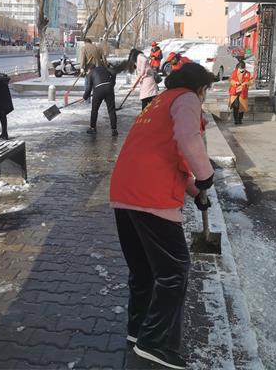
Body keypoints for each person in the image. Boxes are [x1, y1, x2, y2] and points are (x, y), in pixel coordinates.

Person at [110, 63, 215, 369]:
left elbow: (164, 156)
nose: (204, 97)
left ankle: (137, 330)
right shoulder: (186, 99)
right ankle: (154, 343)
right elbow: (188, 139)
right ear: (198, 87)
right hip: (150, 196)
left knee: (143, 271)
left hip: (124, 192)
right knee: (173, 271)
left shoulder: (159, 102)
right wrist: (206, 175)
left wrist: (196, 192)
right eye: (205, 90)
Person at [83, 65, 118, 136]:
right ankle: (114, 130)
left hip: (98, 89)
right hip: (109, 87)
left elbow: (88, 88)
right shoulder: (104, 68)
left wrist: (85, 97)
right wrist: (112, 83)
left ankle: (93, 128)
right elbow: (114, 72)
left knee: (94, 110)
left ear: (89, 69)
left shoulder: (90, 73)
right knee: (111, 110)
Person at [229, 59, 253, 125]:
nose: (242, 69)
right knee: (235, 106)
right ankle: (236, 120)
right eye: (240, 68)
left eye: (243, 68)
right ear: (238, 67)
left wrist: (246, 83)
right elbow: (230, 80)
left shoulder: (248, 73)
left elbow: (251, 81)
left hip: (243, 92)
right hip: (235, 92)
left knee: (242, 107)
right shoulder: (234, 72)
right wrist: (235, 83)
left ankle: (240, 119)